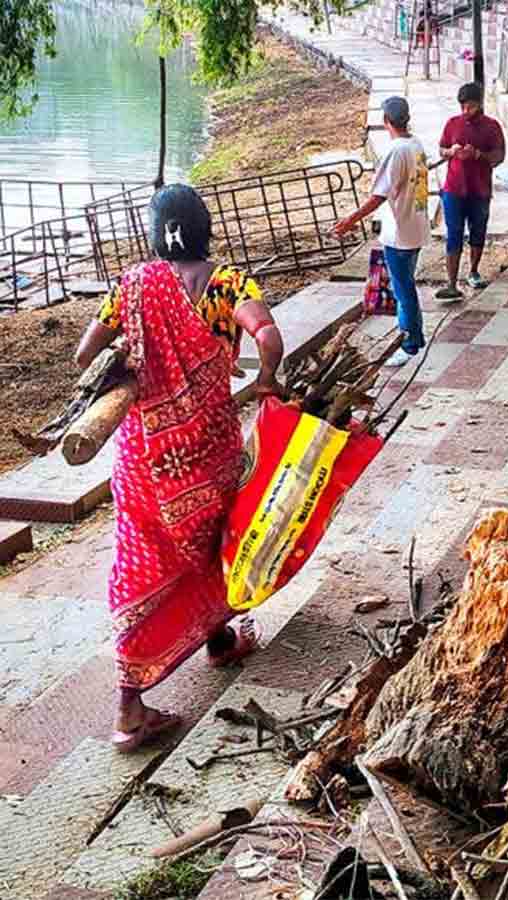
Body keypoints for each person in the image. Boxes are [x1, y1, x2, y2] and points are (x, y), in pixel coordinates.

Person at [75, 184, 285, 753]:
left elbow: (84, 354)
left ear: (154, 231)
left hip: (145, 461)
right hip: (208, 453)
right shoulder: (229, 282)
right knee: (211, 542)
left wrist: (125, 363)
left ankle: (140, 698)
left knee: (143, 567)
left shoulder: (131, 286)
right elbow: (267, 334)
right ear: (205, 227)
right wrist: (265, 378)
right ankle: (136, 701)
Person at [335, 96, 429, 368]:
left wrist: (351, 219)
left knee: (403, 289)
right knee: (406, 285)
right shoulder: (416, 144)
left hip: (400, 231)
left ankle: (409, 343)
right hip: (415, 226)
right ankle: (415, 337)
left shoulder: (396, 151)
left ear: (386, 121)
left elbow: (379, 195)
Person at [435, 82, 506, 300]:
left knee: (478, 230)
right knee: (453, 232)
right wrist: (451, 151)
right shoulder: (452, 124)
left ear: (480, 104)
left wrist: (478, 155)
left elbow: (499, 156)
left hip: (479, 188)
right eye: (464, 107)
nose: (467, 111)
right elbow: (441, 149)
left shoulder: (491, 126)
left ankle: (474, 270)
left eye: (472, 107)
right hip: (454, 188)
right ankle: (451, 282)